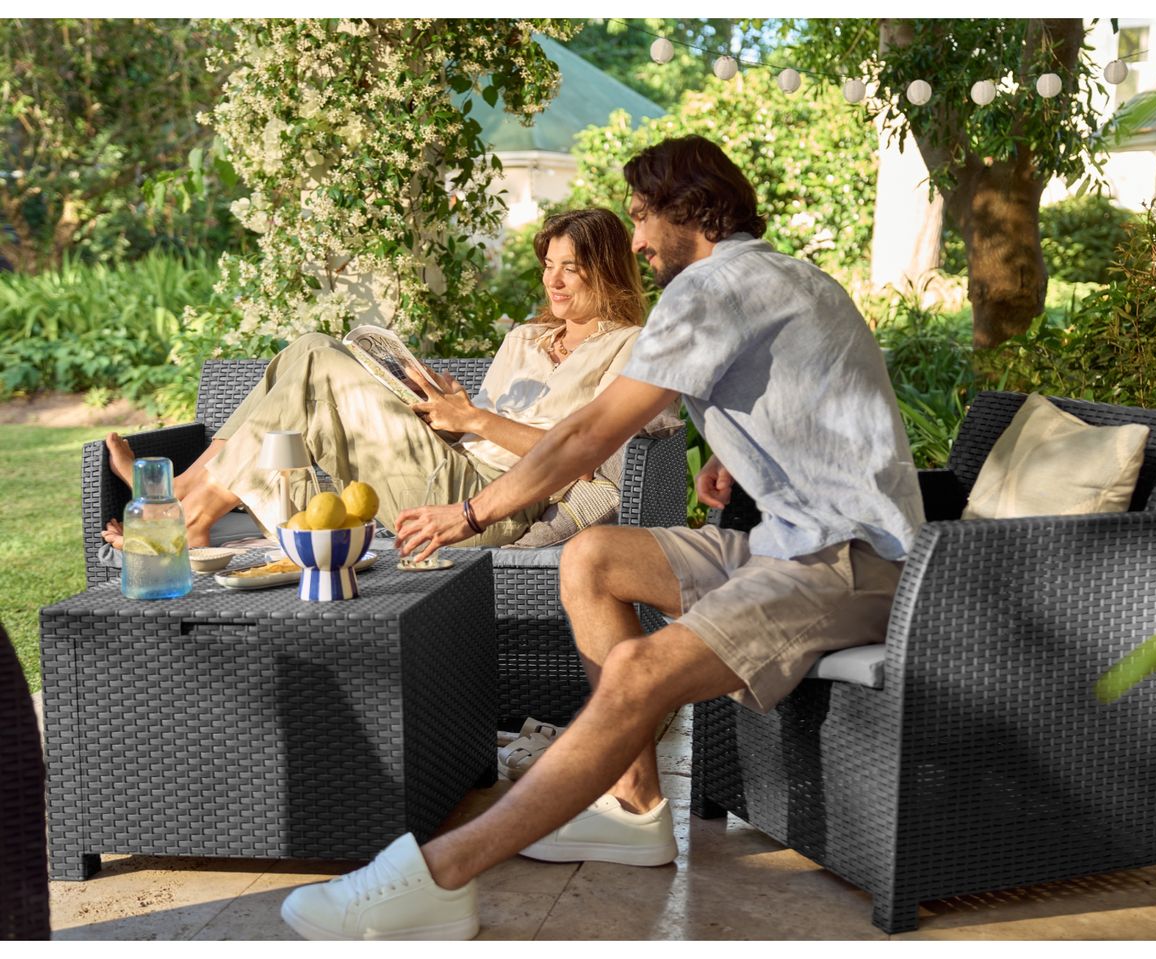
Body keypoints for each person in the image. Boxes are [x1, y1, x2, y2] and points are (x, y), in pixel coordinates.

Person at [279, 134, 927, 941]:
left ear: (691, 209)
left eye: (644, 218)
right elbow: (807, 397)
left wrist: (470, 514)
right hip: (791, 541)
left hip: (848, 565)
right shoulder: (779, 273)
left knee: (637, 668)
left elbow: (586, 435)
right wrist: (729, 458)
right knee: (593, 556)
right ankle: (634, 807)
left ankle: (437, 875)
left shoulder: (714, 285)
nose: (640, 241)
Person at [100, 207, 653, 550]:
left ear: (604, 270)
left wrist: (478, 420)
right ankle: (178, 501)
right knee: (308, 347)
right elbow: (471, 433)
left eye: (570, 268)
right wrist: (449, 411)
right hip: (452, 467)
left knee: (319, 357)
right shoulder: (524, 340)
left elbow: (593, 459)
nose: (553, 281)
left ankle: (181, 512)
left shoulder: (626, 347)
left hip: (495, 503)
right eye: (548, 265)